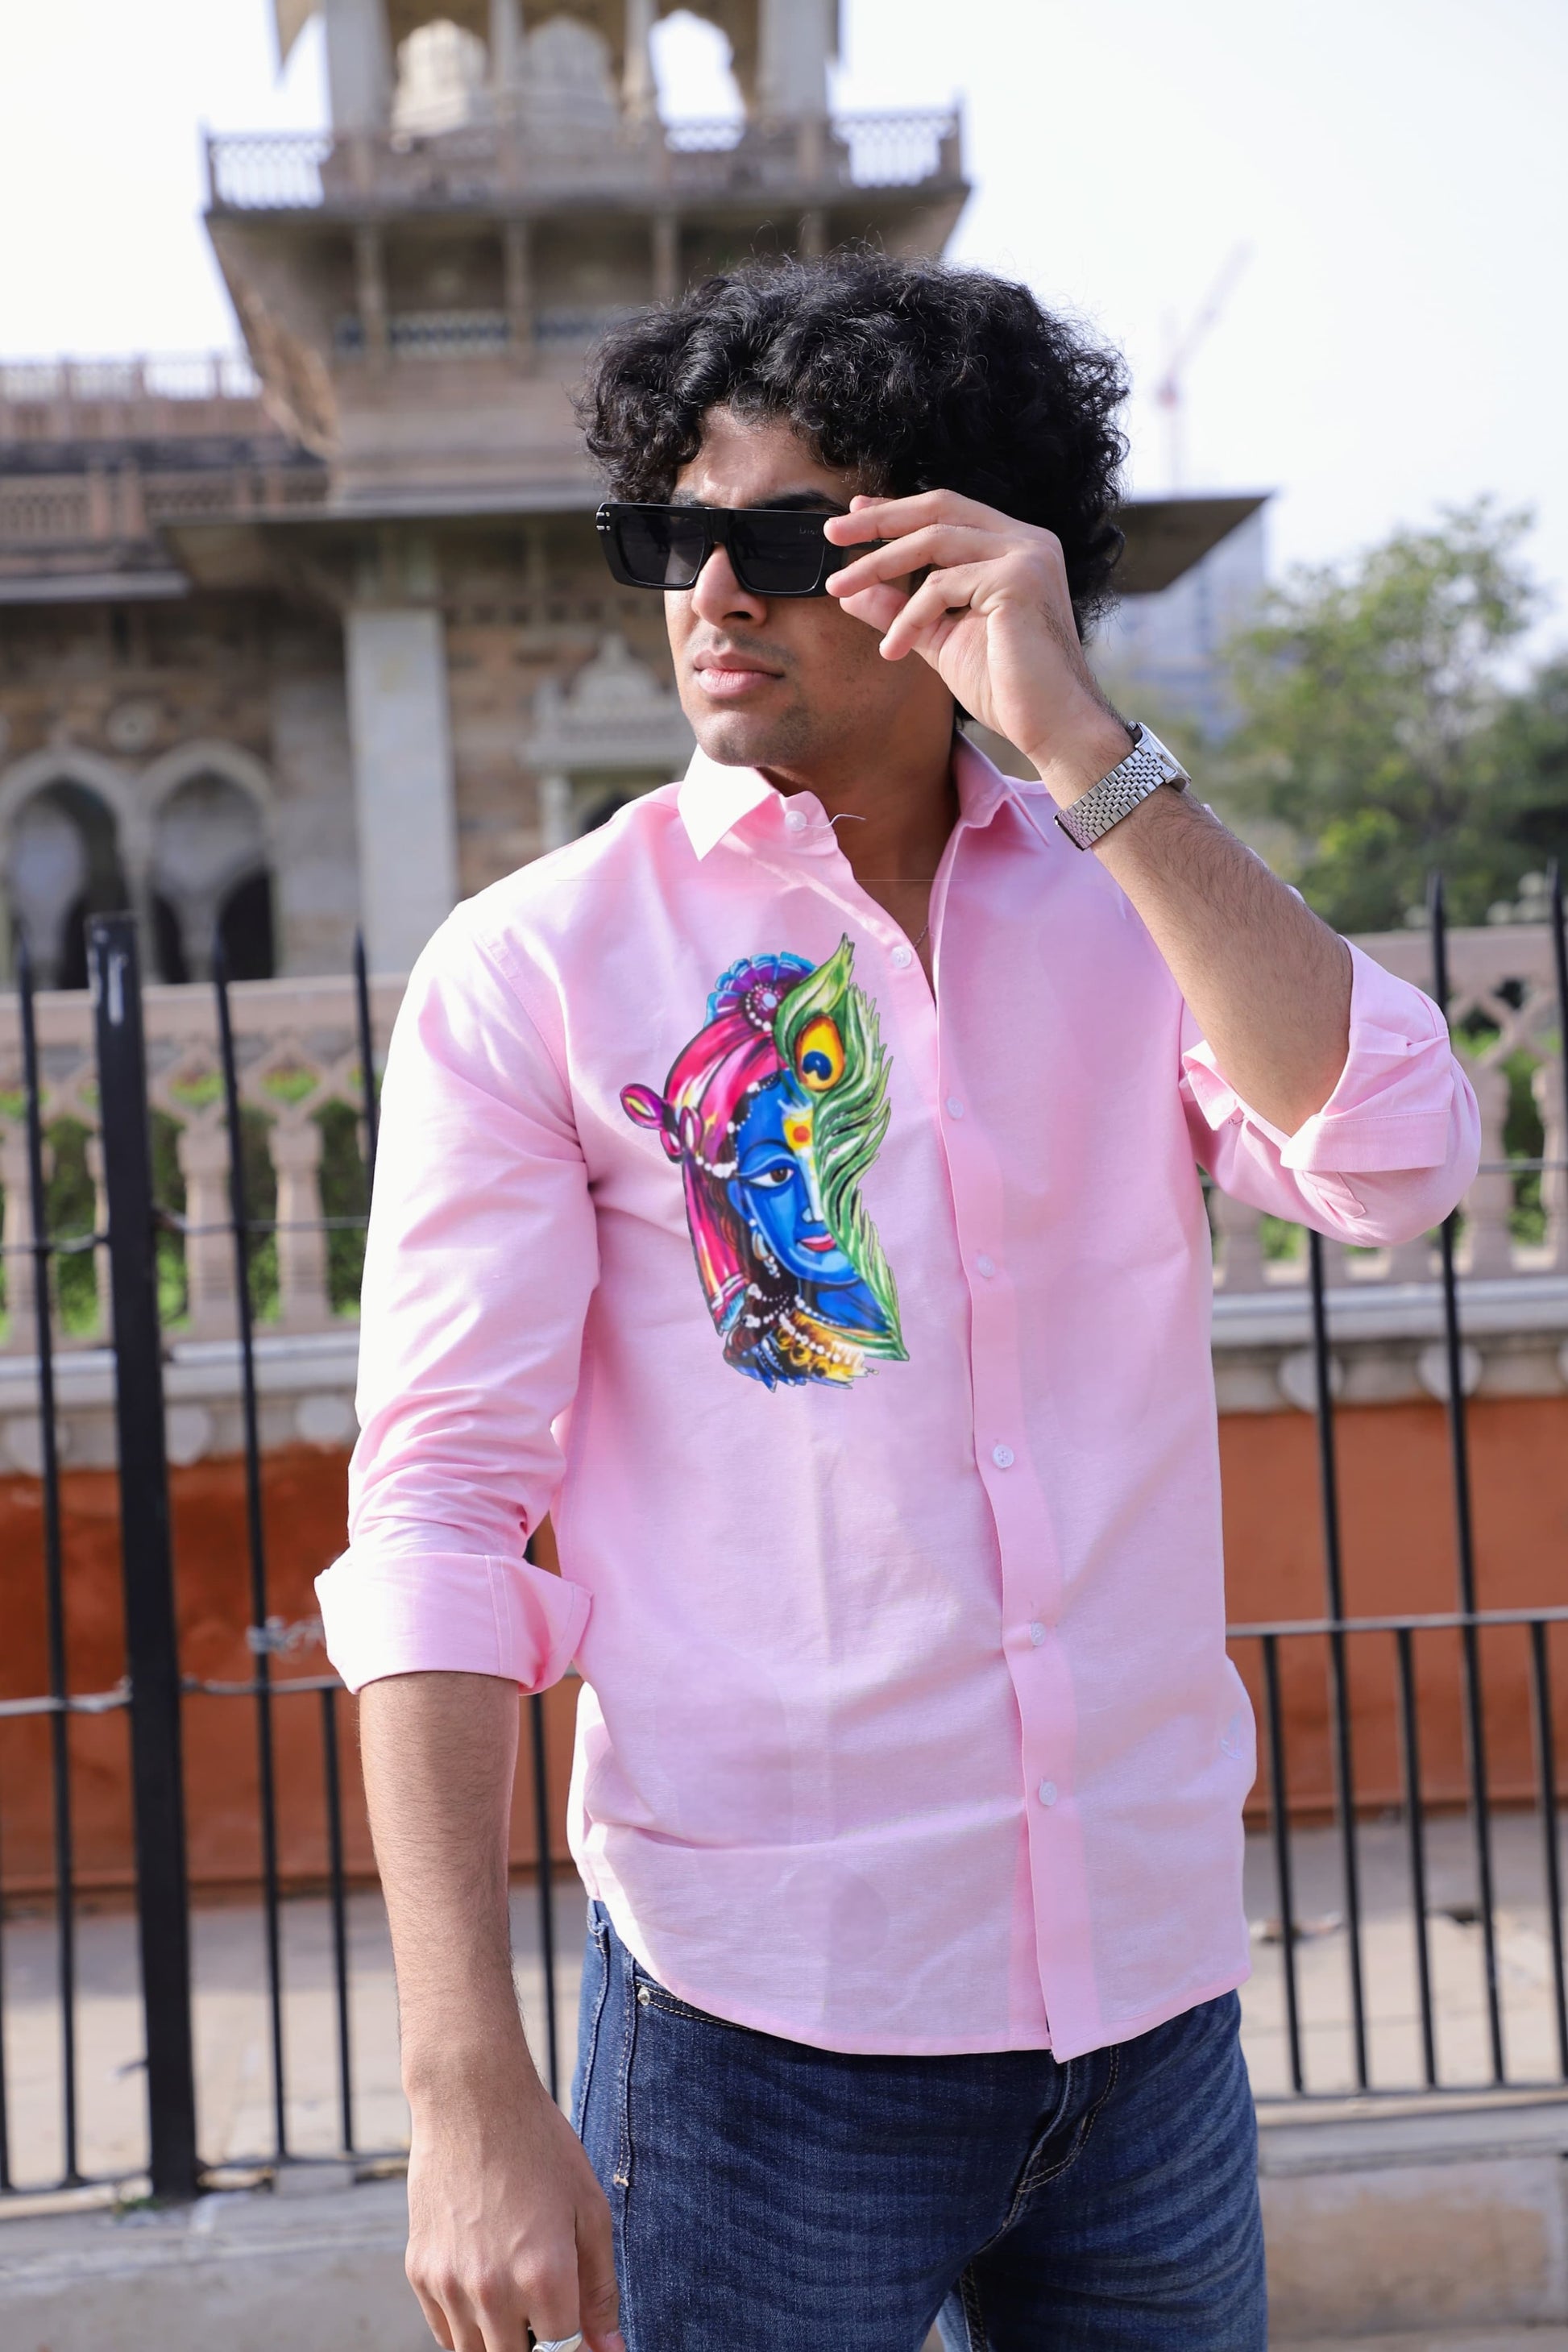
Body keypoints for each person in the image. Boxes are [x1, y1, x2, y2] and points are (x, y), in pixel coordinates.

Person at [317, 255, 1479, 2352]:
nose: (712, 594)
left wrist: (1086, 745)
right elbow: (436, 1519)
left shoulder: (1140, 913)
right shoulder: (543, 967)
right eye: (671, 537)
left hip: (1146, 2010)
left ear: (957, 559)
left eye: (785, 543)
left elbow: (1393, 1160)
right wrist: (461, 2080)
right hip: (758, 2033)